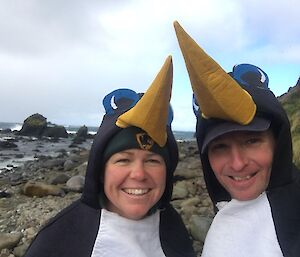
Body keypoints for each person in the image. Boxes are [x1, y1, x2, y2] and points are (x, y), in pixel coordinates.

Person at [24, 56, 196, 257]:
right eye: (123, 159)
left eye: (152, 160)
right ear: (101, 169)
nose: (139, 174)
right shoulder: (58, 241)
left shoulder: (172, 225)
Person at [173, 21, 300, 256]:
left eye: (251, 141)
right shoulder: (227, 208)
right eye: (220, 147)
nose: (238, 163)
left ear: (277, 142)